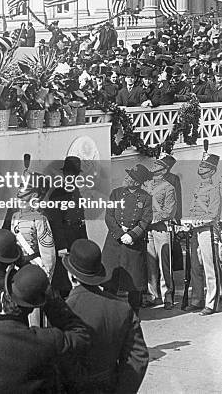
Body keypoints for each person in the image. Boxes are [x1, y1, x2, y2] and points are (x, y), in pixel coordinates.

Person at [0, 264, 90, 393]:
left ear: (3, 297)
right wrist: (52, 301)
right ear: (33, 308)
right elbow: (80, 335)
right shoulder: (48, 341)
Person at [62, 239, 149, 393]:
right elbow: (138, 356)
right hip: (110, 385)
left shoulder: (65, 311)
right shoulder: (122, 308)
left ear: (71, 275)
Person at [101, 165, 153, 311]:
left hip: (133, 245)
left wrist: (132, 235)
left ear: (137, 182)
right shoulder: (116, 194)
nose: (127, 178)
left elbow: (145, 220)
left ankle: (133, 314)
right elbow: (109, 216)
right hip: (114, 242)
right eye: (128, 175)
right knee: (110, 280)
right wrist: (119, 233)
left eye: (131, 177)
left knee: (134, 283)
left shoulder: (146, 197)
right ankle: (108, 311)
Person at [45, 156, 88, 298]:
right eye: (69, 174)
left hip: (77, 235)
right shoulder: (58, 193)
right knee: (64, 278)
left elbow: (80, 216)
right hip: (65, 237)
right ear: (65, 174)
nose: (72, 177)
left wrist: (84, 239)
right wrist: (61, 245)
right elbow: (55, 221)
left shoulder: (76, 191)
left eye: (74, 174)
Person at [184, 154, 221, 315]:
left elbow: (213, 214)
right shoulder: (198, 188)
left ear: (212, 171)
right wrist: (188, 222)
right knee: (195, 267)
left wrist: (196, 222)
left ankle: (212, 302)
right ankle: (197, 300)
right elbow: (193, 210)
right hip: (195, 231)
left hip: (208, 230)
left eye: (205, 166)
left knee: (210, 267)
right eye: (201, 165)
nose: (201, 168)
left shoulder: (214, 189)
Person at [143, 159, 177, 309]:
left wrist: (153, 219)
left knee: (165, 264)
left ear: (164, 171)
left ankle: (167, 296)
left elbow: (169, 211)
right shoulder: (147, 185)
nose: (154, 167)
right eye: (154, 164)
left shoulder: (169, 188)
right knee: (150, 263)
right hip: (148, 228)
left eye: (158, 166)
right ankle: (153, 295)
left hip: (161, 228)